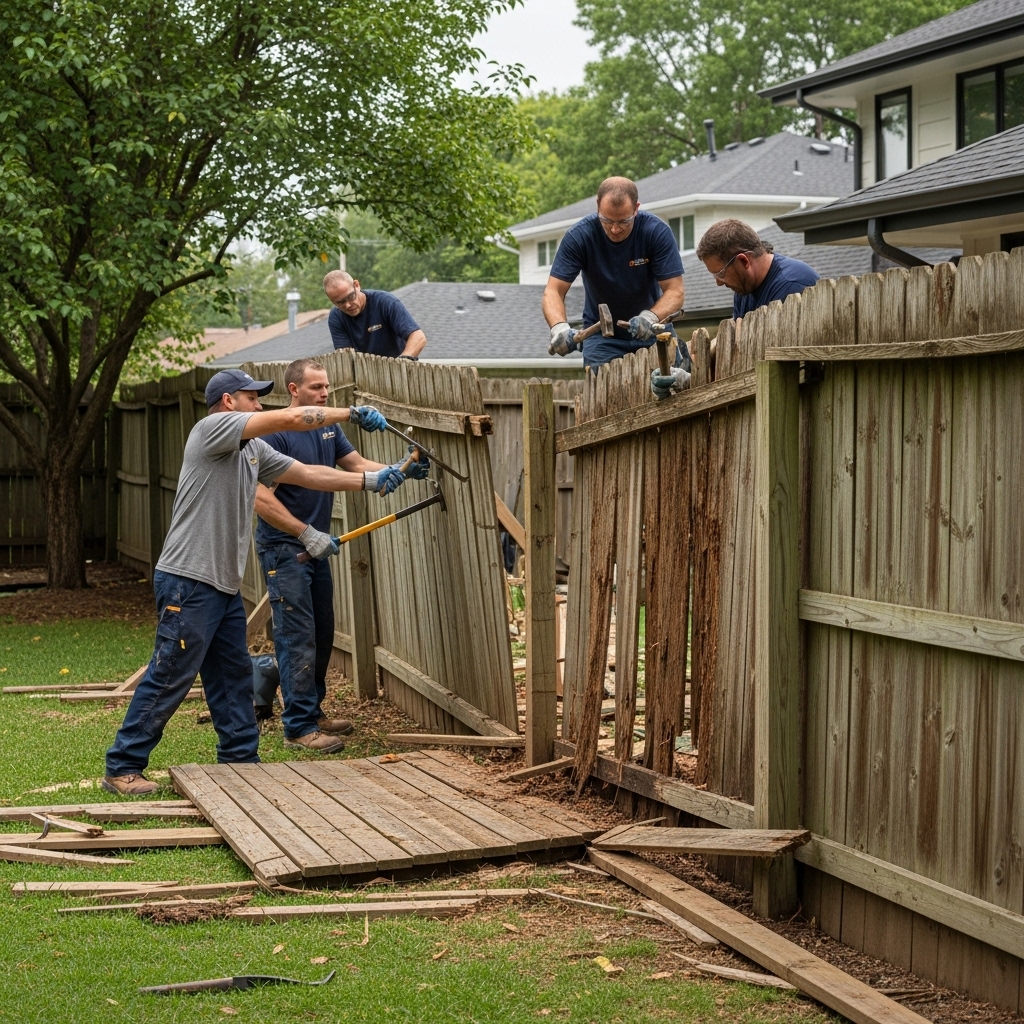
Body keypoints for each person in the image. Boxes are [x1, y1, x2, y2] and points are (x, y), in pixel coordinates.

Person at [103, 368, 412, 796]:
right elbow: (290, 419)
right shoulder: (212, 430)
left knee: (232, 675)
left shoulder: (252, 452)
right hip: (188, 580)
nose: (259, 404)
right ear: (229, 402)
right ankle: (123, 766)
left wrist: (371, 479)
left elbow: (306, 475)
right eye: (252, 398)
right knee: (171, 672)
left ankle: (240, 759)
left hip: (222, 585)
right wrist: (350, 413)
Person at [253, 358, 429, 753]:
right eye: (316, 388)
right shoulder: (278, 433)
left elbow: (355, 465)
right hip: (285, 548)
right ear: (295, 390)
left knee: (322, 632)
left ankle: (312, 712)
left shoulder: (328, 428)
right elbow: (258, 498)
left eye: (327, 387)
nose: (325, 393)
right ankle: (298, 726)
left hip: (316, 547)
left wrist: (396, 470)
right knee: (297, 636)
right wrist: (303, 533)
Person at [651, 218, 820, 400]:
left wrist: (691, 381)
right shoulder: (744, 288)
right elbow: (732, 346)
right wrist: (682, 369)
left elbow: (767, 363)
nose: (718, 283)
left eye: (720, 274)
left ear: (743, 261)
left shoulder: (791, 285)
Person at [542, 176, 686, 371]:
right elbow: (553, 292)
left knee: (670, 391)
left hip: (653, 331)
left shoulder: (656, 232)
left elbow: (675, 291)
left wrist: (650, 317)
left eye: (624, 221)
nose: (615, 229)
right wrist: (559, 328)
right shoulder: (580, 237)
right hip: (602, 339)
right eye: (607, 220)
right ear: (597, 206)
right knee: (604, 399)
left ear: (636, 208)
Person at [324, 270, 427, 359]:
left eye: (350, 297)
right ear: (332, 301)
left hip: (400, 372)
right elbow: (345, 357)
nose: (347, 305)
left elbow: (418, 337)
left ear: (356, 285)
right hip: (366, 376)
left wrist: (402, 362)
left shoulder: (385, 302)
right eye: (340, 302)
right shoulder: (336, 317)